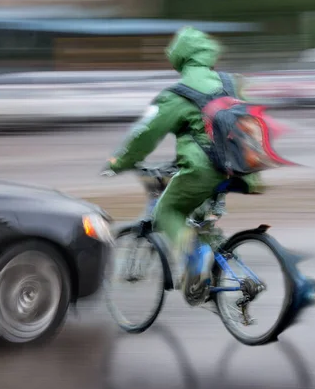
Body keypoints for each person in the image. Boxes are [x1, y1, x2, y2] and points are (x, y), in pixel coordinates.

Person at [102, 26, 264, 299]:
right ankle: (207, 287)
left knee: (166, 211)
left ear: (179, 57)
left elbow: (145, 134)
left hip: (204, 170)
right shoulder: (232, 83)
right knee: (202, 218)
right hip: (242, 170)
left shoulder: (177, 94)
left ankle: (195, 257)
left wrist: (119, 162)